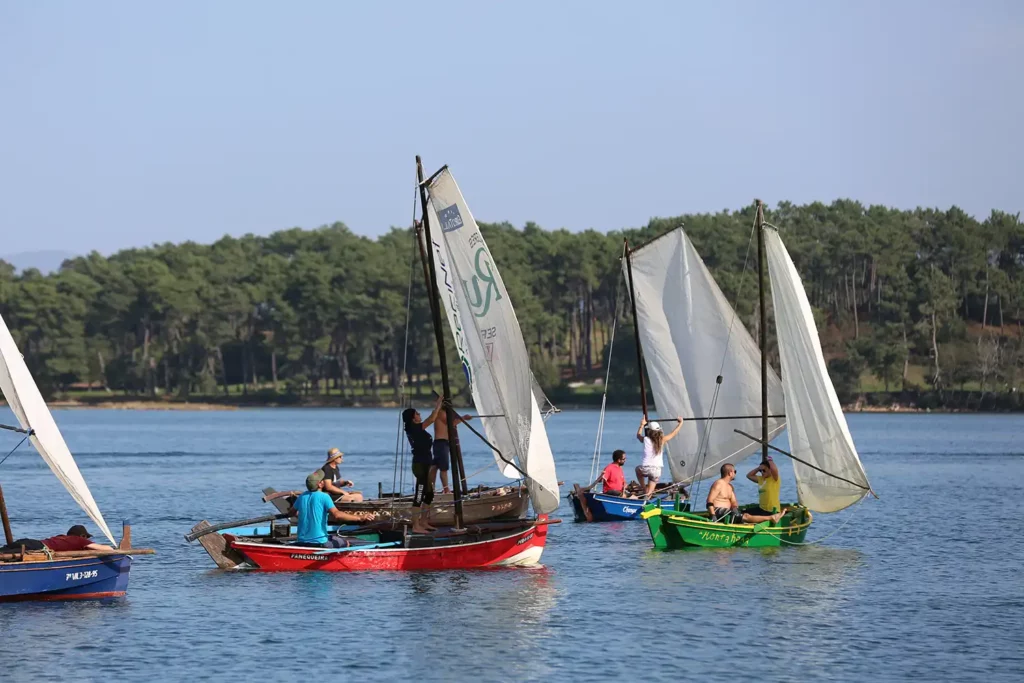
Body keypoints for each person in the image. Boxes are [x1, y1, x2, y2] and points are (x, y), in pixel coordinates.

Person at [294, 470, 373, 547]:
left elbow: (291, 512)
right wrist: (360, 518)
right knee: (346, 543)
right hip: (320, 542)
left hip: (301, 541)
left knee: (331, 538)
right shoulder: (324, 497)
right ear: (320, 484)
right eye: (323, 480)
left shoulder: (301, 497)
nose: (324, 481)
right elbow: (337, 515)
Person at [403, 396, 444, 533]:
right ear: (413, 418)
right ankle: (416, 526)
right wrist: (438, 404)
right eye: (417, 413)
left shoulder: (417, 429)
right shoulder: (414, 428)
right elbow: (432, 418)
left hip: (426, 463)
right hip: (420, 465)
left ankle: (424, 522)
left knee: (429, 494)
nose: (420, 415)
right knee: (419, 495)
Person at [706, 463, 784, 525]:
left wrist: (735, 509)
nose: (735, 474)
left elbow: (733, 502)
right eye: (735, 471)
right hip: (718, 512)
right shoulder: (718, 483)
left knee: (744, 515)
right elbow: (709, 500)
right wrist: (713, 515)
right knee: (746, 516)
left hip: (728, 512)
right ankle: (772, 518)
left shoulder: (730, 487)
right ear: (730, 473)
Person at [635, 417, 684, 500]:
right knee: (650, 492)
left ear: (649, 431)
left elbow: (638, 435)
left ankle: (643, 488)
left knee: (637, 470)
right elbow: (674, 433)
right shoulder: (662, 440)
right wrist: (680, 423)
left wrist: (642, 425)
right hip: (657, 470)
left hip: (646, 468)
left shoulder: (646, 439)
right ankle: (646, 499)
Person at [431, 402, 472, 495]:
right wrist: (463, 418)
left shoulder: (445, 413)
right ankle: (446, 490)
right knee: (443, 468)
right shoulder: (441, 412)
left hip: (444, 443)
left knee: (435, 466)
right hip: (441, 442)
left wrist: (462, 418)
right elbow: (451, 423)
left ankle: (431, 488)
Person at [41, 525, 113, 552]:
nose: (87, 540)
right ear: (82, 536)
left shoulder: (62, 538)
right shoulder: (79, 540)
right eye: (87, 537)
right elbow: (108, 549)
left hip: (39, 544)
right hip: (42, 547)